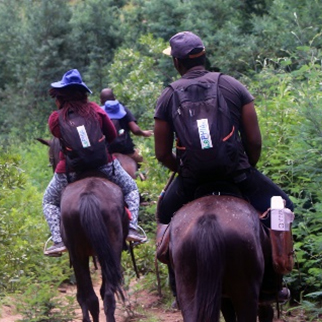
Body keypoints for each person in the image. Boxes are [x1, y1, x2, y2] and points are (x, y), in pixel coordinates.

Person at [154, 31, 293, 301]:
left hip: (192, 180)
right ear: (204, 57)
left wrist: (183, 169)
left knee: (165, 215)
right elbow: (253, 140)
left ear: (177, 63)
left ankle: (178, 283)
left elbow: (162, 153)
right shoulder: (233, 86)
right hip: (237, 175)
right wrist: (244, 169)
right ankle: (274, 283)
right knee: (284, 206)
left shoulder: (168, 96)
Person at [42, 69, 147, 256]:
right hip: (104, 165)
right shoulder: (97, 110)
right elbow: (112, 135)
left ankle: (58, 240)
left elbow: (58, 137)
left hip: (70, 170)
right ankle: (131, 228)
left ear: (61, 97)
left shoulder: (55, 118)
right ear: (83, 93)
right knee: (131, 189)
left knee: (49, 201)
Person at [100, 88, 153, 164]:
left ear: (101, 101)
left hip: (107, 152)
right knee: (145, 165)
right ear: (114, 98)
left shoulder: (99, 113)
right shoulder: (123, 109)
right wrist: (144, 133)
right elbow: (135, 130)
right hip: (126, 151)